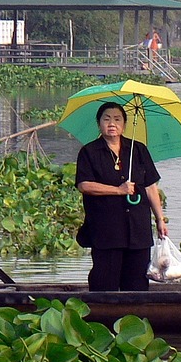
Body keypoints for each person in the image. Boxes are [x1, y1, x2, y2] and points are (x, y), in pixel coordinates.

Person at [74, 101, 168, 291]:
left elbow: (150, 186)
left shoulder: (138, 150)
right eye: (106, 119)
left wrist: (160, 219)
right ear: (99, 123)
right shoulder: (89, 152)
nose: (112, 123)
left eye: (117, 119)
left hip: (137, 230)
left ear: (124, 124)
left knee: (136, 284)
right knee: (103, 283)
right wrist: (118, 190)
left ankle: (134, 318)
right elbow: (84, 185)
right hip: (106, 230)